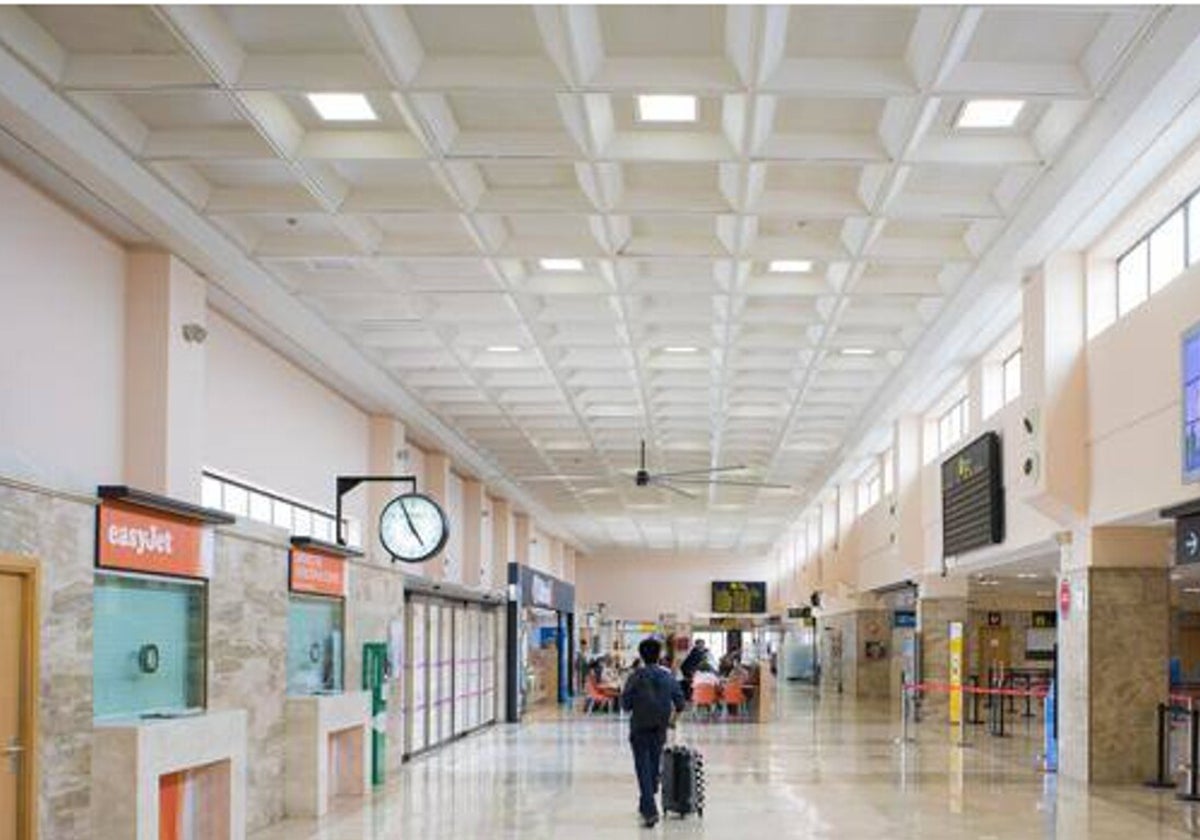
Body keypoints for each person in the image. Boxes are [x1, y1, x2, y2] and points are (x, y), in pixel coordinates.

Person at [620, 637, 685, 828]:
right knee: (654, 767)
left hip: (639, 728)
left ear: (641, 655)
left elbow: (625, 705)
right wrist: (672, 721)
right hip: (660, 729)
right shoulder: (668, 676)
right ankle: (645, 802)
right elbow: (680, 703)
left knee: (643, 768)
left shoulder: (635, 676)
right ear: (660, 655)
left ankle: (649, 811)